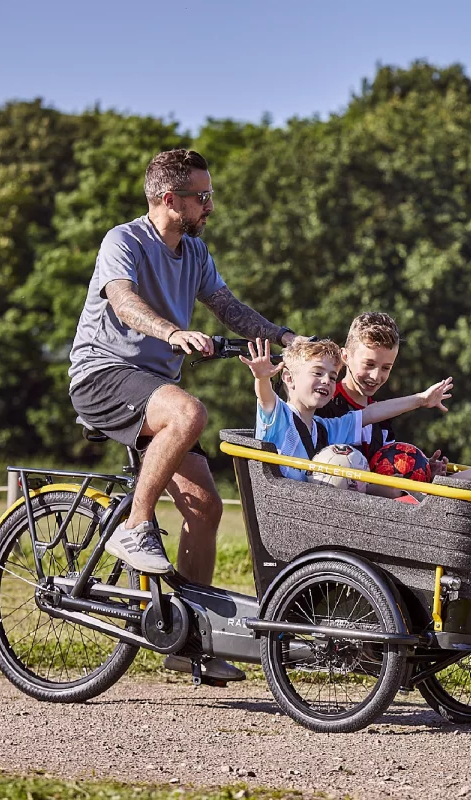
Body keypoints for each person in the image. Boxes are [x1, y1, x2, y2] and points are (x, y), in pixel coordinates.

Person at [67, 148, 296, 683]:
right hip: (102, 374)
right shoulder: (123, 241)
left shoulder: (193, 252)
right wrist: (171, 333)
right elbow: (121, 301)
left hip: (150, 388)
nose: (209, 204)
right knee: (190, 412)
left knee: (207, 508)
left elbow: (229, 306)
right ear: (170, 199)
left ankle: (186, 641)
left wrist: (287, 339)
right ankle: (136, 524)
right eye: (202, 196)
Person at [240, 337, 453, 489]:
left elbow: (371, 413)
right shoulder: (278, 416)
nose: (326, 381)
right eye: (317, 373)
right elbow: (265, 398)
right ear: (289, 378)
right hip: (285, 510)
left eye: (333, 377)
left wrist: (421, 400)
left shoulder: (325, 428)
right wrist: (262, 378)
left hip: (313, 510)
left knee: (392, 491)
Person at [316, 311, 471, 484]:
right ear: (345, 357)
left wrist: (421, 467)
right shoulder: (326, 403)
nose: (376, 376)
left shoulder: (383, 419)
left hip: (386, 498)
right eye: (369, 364)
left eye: (386, 368)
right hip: (346, 497)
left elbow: (384, 464)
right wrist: (421, 399)